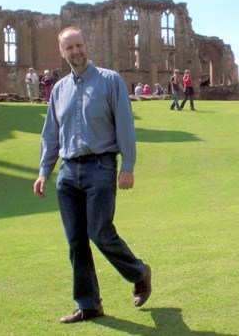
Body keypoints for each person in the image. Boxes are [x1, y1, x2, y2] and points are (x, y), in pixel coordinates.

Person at [33, 27, 152, 323]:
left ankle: (139, 272)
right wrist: (44, 171)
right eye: (69, 48)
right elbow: (51, 134)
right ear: (63, 53)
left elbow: (125, 124)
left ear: (87, 46)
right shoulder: (59, 89)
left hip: (101, 166)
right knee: (76, 241)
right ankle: (88, 304)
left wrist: (128, 166)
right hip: (68, 171)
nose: (75, 51)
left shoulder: (110, 81)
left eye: (79, 45)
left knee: (99, 231)